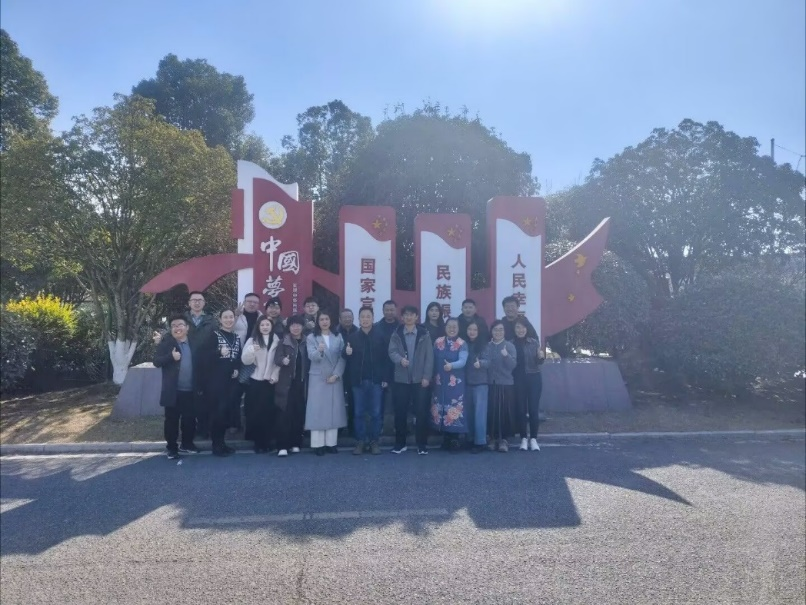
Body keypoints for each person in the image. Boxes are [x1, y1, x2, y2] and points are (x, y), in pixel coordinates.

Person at [153, 315, 202, 459]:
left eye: (180, 325)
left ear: (187, 328)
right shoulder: (166, 344)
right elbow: (156, 362)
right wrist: (171, 357)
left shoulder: (195, 343)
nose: (177, 328)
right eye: (174, 326)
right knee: (171, 421)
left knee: (189, 419)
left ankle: (187, 444)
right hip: (172, 391)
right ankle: (172, 448)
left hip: (191, 390)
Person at [343, 306, 389, 455]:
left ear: (373, 318)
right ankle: (360, 441)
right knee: (358, 413)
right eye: (362, 316)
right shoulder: (352, 337)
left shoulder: (381, 336)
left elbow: (386, 359)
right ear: (359, 319)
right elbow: (345, 357)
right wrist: (346, 352)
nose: (365, 319)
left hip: (376, 381)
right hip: (358, 381)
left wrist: (385, 378)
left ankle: (374, 441)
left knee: (376, 413)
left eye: (368, 316)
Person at [388, 305, 434, 455]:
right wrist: (400, 360)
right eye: (406, 315)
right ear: (402, 317)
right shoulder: (396, 333)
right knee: (400, 412)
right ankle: (400, 444)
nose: (408, 317)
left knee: (421, 412)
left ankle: (422, 444)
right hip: (401, 379)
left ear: (416, 317)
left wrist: (427, 376)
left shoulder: (424, 334)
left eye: (411, 315)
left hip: (420, 380)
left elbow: (429, 357)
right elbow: (391, 351)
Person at [305, 310, 347, 456]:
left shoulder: (338, 336)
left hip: (334, 377)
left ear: (331, 321)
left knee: (333, 410)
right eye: (321, 319)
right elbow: (311, 356)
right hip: (318, 377)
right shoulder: (311, 337)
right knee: (317, 410)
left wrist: (336, 374)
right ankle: (317, 445)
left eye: (326, 319)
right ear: (318, 322)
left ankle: (331, 443)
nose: (324, 322)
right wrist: (320, 351)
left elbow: (342, 357)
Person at [241, 317, 281, 453]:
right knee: (256, 413)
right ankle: (258, 443)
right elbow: (245, 361)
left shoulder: (277, 340)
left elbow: (278, 362)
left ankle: (267, 441)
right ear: (258, 327)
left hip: (270, 382)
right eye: (262, 325)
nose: (265, 327)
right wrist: (251, 350)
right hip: (255, 381)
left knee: (269, 413)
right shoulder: (252, 340)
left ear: (271, 326)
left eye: (267, 324)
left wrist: (274, 376)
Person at [273, 315, 309, 457]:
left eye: (298, 325)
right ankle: (282, 445)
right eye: (293, 325)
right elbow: (276, 359)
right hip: (286, 384)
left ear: (303, 327)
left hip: (302, 383)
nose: (296, 328)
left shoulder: (307, 342)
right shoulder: (283, 342)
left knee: (298, 413)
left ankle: (295, 443)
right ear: (289, 327)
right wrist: (283, 360)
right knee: (284, 414)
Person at [431, 317, 468, 451]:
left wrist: (452, 365)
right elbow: (432, 359)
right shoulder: (438, 342)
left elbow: (463, 361)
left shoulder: (462, 343)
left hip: (455, 383)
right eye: (449, 326)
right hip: (439, 382)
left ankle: (454, 439)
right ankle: (445, 438)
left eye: (454, 327)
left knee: (454, 407)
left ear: (458, 329)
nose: (452, 329)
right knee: (440, 407)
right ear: (445, 328)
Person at [207, 309, 241, 457]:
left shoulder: (236, 337)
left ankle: (222, 443)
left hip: (231, 382)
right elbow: (204, 356)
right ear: (220, 319)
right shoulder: (214, 335)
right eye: (225, 317)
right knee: (217, 414)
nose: (228, 320)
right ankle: (216, 445)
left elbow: (238, 356)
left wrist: (237, 368)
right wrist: (218, 353)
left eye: (231, 317)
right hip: (216, 381)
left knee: (226, 413)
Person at [231, 292, 263, 431]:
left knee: (253, 394)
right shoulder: (236, 316)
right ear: (244, 302)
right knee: (235, 393)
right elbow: (227, 329)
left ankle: (251, 425)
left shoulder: (262, 318)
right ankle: (235, 424)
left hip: (256, 359)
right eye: (249, 301)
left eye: (255, 302)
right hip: (238, 358)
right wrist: (235, 316)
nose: (252, 304)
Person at [512, 318, 545, 452]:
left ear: (527, 329)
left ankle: (534, 439)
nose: (520, 330)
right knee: (521, 410)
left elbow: (539, 362)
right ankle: (523, 439)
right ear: (514, 330)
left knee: (533, 410)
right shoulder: (510, 344)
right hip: (518, 380)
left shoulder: (534, 342)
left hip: (534, 378)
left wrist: (541, 356)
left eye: (523, 327)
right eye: (517, 327)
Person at [486, 320, 517, 452]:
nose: (498, 332)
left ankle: (504, 440)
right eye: (495, 330)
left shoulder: (509, 346)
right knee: (492, 412)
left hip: (505, 384)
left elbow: (513, 366)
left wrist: (506, 356)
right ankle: (492, 439)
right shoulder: (487, 346)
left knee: (504, 413)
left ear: (504, 332)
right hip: (490, 383)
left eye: (500, 330)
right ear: (491, 331)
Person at [464, 321, 490, 454]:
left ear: (479, 332)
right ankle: (470, 439)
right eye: (470, 329)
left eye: (475, 330)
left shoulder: (484, 345)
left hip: (481, 384)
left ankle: (480, 442)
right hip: (466, 383)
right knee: (468, 414)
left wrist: (481, 363)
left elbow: (489, 361)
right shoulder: (463, 344)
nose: (472, 332)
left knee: (480, 414)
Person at [337, 308, 359, 434]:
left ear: (353, 318)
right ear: (340, 319)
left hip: (353, 371)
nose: (347, 319)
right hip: (337, 371)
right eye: (344, 317)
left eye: (349, 317)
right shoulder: (335, 333)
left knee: (353, 400)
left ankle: (352, 427)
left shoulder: (358, 332)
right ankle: (338, 427)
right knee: (338, 399)